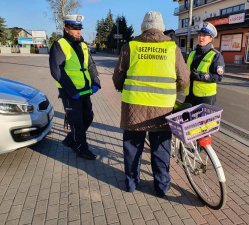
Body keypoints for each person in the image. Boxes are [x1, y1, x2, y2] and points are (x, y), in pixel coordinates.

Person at [113, 11, 189, 197]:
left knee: (132, 147)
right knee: (161, 148)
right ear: (161, 28)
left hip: (134, 108)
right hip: (162, 109)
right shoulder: (172, 48)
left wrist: (123, 87)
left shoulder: (130, 46)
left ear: (143, 27)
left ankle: (131, 183)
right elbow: (184, 80)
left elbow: (117, 78)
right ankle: (161, 187)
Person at [49, 15, 101, 160]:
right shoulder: (60, 44)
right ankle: (80, 147)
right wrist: (72, 91)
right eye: (75, 29)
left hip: (84, 89)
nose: (78, 31)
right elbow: (57, 71)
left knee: (88, 117)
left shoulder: (83, 44)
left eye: (79, 28)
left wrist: (96, 82)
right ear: (66, 28)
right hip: (70, 92)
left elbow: (90, 65)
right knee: (77, 121)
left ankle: (71, 139)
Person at [184, 22, 225, 106]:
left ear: (211, 38)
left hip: (205, 97)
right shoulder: (192, 53)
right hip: (190, 94)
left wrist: (200, 75)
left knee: (202, 119)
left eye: (204, 35)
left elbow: (218, 77)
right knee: (187, 118)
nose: (201, 37)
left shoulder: (216, 55)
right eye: (199, 34)